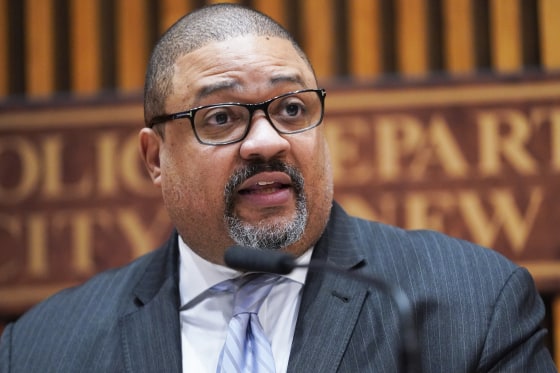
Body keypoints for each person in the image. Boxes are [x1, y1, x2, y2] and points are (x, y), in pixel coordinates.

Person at [0, 3, 557, 372]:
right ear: (155, 157)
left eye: (292, 108)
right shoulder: (41, 351)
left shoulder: (471, 305)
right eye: (220, 117)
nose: (266, 142)